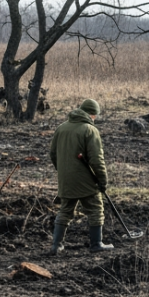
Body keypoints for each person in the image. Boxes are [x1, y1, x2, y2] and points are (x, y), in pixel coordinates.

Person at [49, 99, 113, 254]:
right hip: (86, 180)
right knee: (96, 208)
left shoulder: (61, 128)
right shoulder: (90, 130)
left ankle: (56, 245)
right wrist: (103, 180)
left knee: (65, 210)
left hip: (65, 179)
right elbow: (97, 159)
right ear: (93, 114)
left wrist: (63, 170)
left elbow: (52, 153)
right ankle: (96, 244)